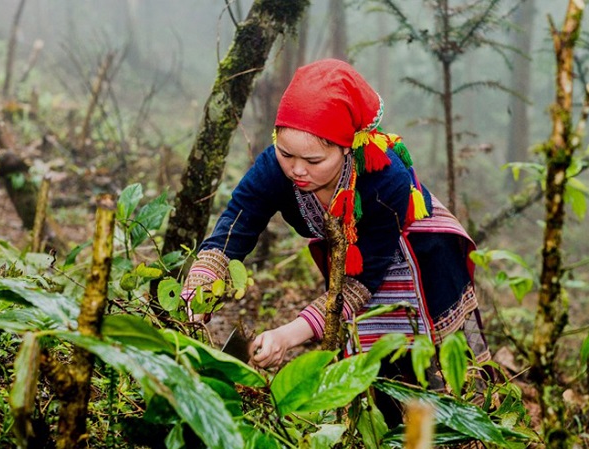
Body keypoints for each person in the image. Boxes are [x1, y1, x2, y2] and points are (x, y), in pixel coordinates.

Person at [181, 58, 491, 426]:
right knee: (370, 371)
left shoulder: (384, 178)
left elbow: (361, 281)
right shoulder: (273, 169)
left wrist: (288, 335)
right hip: (356, 260)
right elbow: (238, 221)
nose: (297, 170)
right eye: (286, 153)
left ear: (346, 148)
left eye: (313, 160)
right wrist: (200, 288)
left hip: (420, 257)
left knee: (428, 368)